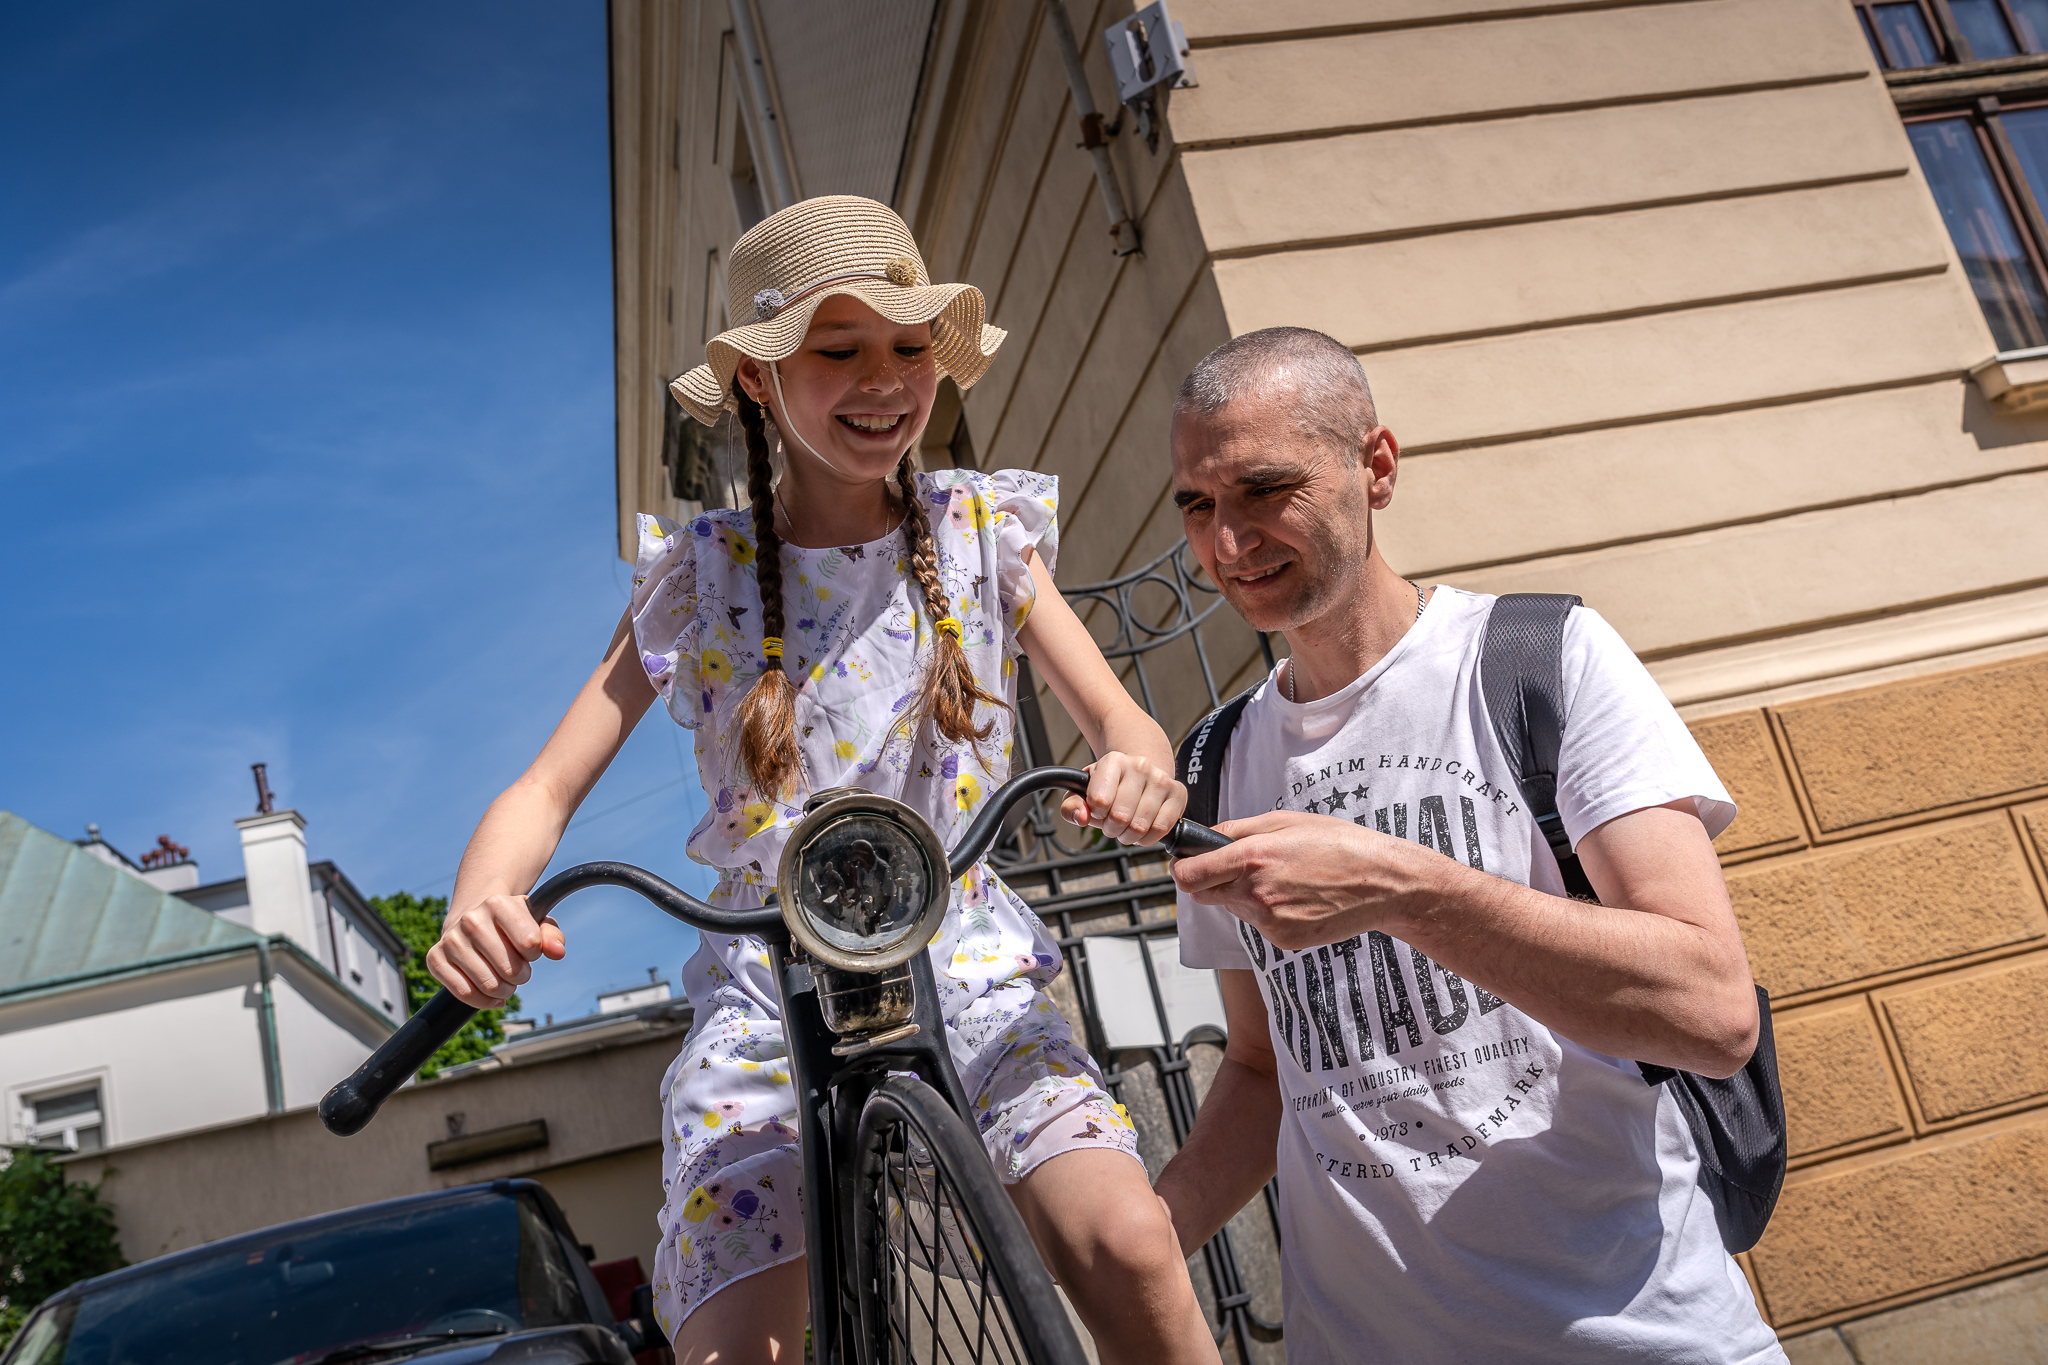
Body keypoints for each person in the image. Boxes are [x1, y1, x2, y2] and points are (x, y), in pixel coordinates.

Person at [425, 196, 1219, 1365]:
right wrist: (480, 904)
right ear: (757, 378)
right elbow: (544, 788)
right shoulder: (701, 574)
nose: (883, 380)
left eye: (907, 347)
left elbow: (1120, 719)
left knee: (1131, 1245)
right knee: (731, 1348)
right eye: (837, 351)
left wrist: (1135, 767)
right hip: (768, 982)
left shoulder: (981, 531)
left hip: (964, 958)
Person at [1150, 327, 1787, 1363]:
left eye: (1264, 489)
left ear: (1376, 467)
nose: (1227, 542)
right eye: (1196, 505)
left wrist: (1401, 888)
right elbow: (1266, 1069)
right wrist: (1144, 1235)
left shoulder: (1537, 659)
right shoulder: (1214, 763)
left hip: (1635, 1336)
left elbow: (1712, 1013)